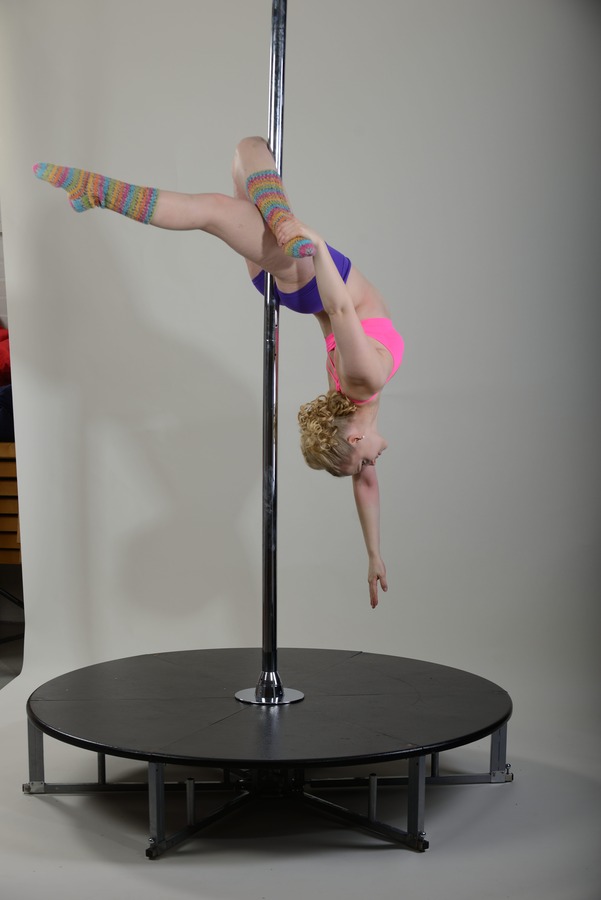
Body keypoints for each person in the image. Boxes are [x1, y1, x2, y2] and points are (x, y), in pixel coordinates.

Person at [33, 137, 404, 608]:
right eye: (365, 464)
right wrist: (373, 553)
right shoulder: (354, 401)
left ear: (353, 437)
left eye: (364, 462)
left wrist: (316, 247)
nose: (371, 467)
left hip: (305, 273)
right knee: (246, 154)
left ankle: (102, 191)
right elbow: (364, 481)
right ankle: (278, 216)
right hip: (295, 275)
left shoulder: (362, 384)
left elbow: (341, 308)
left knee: (210, 210)